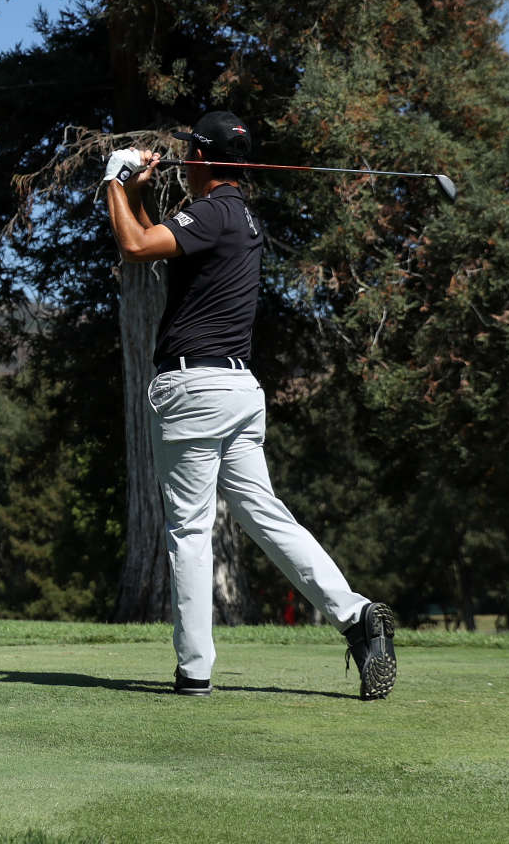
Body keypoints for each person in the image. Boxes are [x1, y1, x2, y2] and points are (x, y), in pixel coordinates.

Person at [103, 110, 397, 700]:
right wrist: (136, 193)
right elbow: (158, 240)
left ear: (206, 161)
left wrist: (114, 180)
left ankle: (195, 669)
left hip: (194, 390)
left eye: (191, 153)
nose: (182, 162)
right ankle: (356, 615)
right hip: (238, 391)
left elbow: (135, 246)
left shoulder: (211, 212)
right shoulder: (235, 215)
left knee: (188, 530)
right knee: (265, 515)